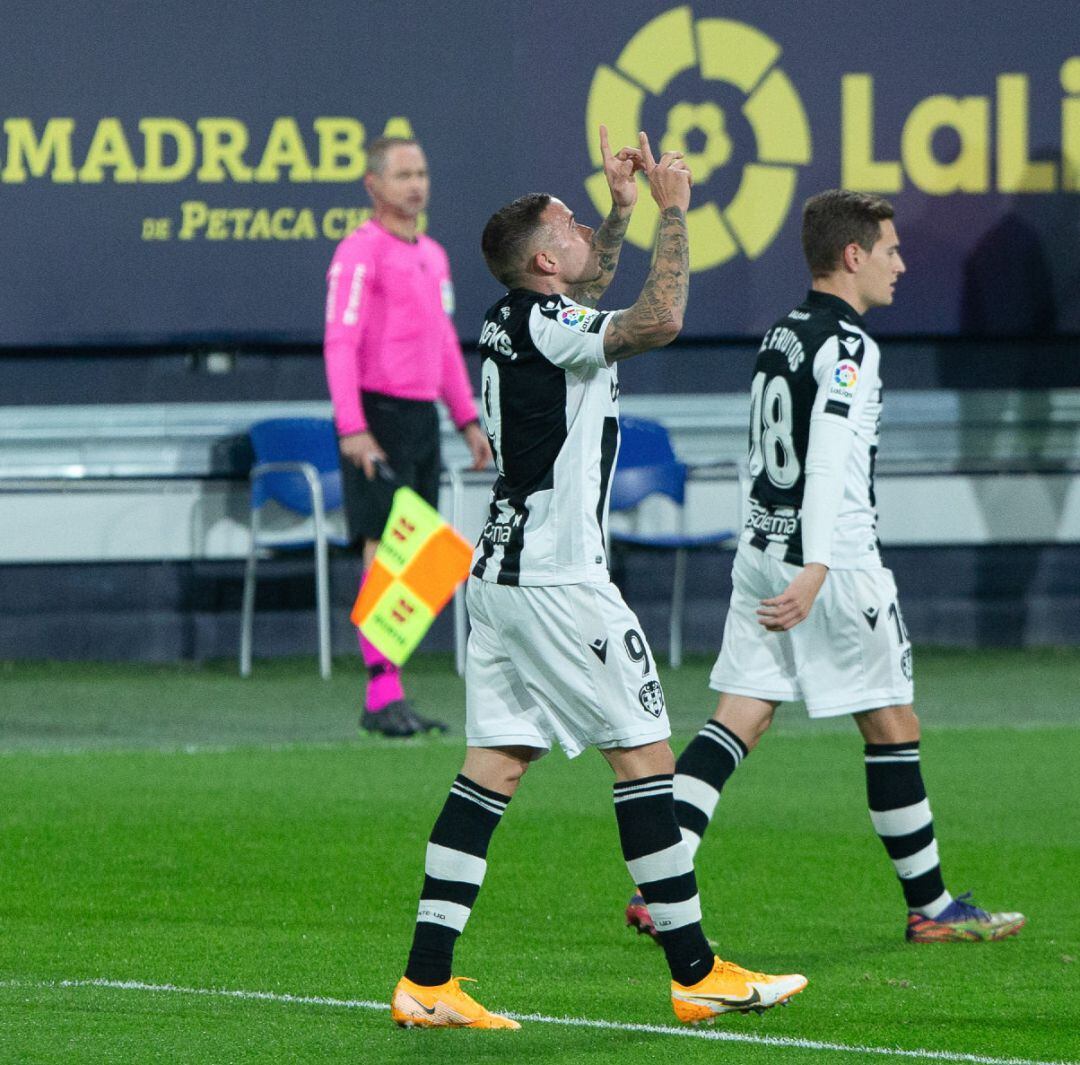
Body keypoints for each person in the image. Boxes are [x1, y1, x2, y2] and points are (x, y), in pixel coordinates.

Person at [389, 127, 807, 1031]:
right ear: (543, 256)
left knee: (492, 769)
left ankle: (427, 980)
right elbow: (657, 320)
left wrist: (617, 212)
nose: (584, 229)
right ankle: (696, 971)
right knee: (645, 755)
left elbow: (586, 295)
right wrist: (671, 217)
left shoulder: (518, 316)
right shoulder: (551, 323)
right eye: (572, 223)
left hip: (498, 576)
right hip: (556, 578)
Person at [625, 189, 1025, 945]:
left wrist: (774, 553)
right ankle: (932, 906)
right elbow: (830, 459)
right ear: (853, 256)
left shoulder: (780, 334)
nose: (901, 264)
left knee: (739, 713)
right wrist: (816, 566)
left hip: (762, 550)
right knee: (891, 721)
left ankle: (660, 880)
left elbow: (767, 452)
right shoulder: (849, 346)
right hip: (831, 562)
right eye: (891, 249)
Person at [323, 135, 492, 738]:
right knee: (383, 553)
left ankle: (390, 695)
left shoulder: (435, 256)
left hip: (422, 418)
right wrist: (353, 427)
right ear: (374, 185)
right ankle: (381, 694)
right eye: (402, 175)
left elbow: (444, 344)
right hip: (377, 415)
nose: (416, 185)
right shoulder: (358, 253)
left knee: (418, 560)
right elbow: (340, 342)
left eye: (421, 172)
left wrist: (467, 419)